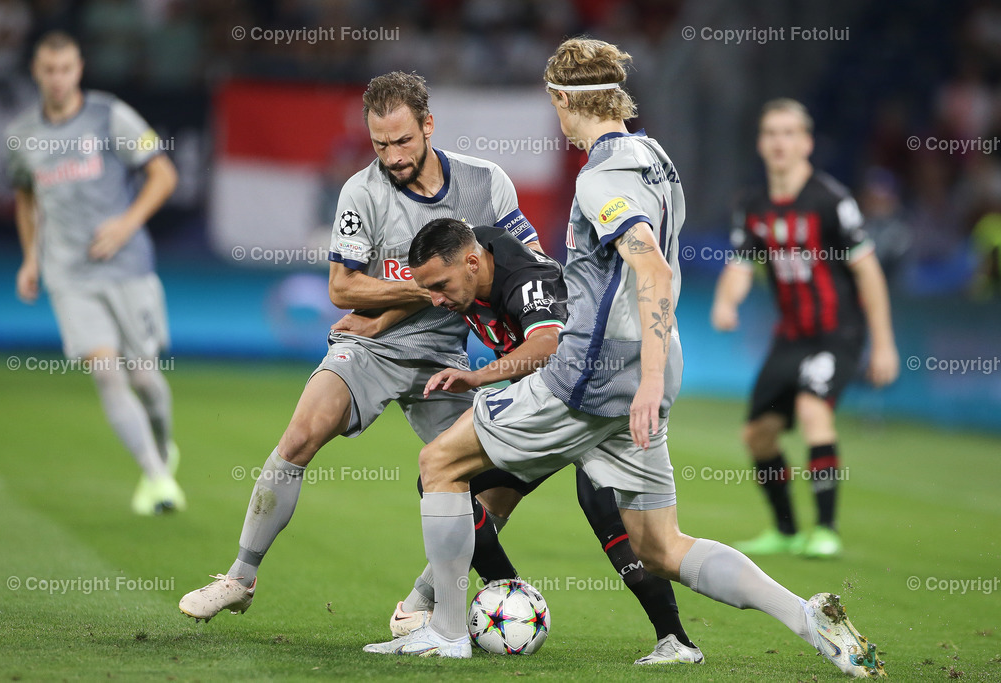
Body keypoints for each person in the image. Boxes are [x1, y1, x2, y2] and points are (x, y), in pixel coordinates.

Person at [363, 38, 886, 679]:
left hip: (591, 376)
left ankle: (443, 632)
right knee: (660, 546)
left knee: (439, 460)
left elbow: (652, 267)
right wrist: (654, 381)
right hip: (645, 373)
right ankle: (808, 618)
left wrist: (644, 382)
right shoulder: (655, 158)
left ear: (561, 99)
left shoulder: (601, 175)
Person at [178, 70, 541, 621]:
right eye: (380, 144)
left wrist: (405, 302)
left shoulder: (486, 183)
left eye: (403, 141)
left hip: (446, 358)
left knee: (496, 485)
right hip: (369, 347)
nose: (392, 156)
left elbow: (521, 264)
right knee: (300, 434)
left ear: (428, 125)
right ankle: (239, 577)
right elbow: (342, 287)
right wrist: (430, 290)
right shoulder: (361, 191)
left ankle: (419, 606)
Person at [388, 217, 701, 665]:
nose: (435, 299)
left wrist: (476, 377)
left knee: (616, 525)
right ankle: (509, 600)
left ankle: (675, 639)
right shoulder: (470, 262)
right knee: (457, 486)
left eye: (439, 286)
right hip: (541, 412)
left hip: (589, 407)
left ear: (474, 262)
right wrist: (370, 322)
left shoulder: (522, 280)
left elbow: (547, 345)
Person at [711, 99, 900, 558]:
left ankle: (826, 529)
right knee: (758, 435)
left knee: (814, 409)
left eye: (789, 133)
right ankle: (787, 530)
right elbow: (740, 264)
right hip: (791, 335)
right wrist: (725, 302)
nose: (780, 142)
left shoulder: (831, 200)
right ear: (761, 143)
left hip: (838, 333)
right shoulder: (753, 205)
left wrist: (884, 345)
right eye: (772, 133)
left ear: (807, 142)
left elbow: (868, 272)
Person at [6, 31, 182, 515]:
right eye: (48, 70)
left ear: (78, 69)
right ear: (37, 73)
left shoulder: (110, 115)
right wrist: (31, 258)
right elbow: (25, 197)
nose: (57, 79)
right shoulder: (22, 135)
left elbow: (164, 174)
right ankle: (158, 476)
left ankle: (164, 449)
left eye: (65, 69)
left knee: (145, 378)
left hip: (127, 269)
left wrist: (126, 224)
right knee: (107, 373)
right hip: (70, 277)